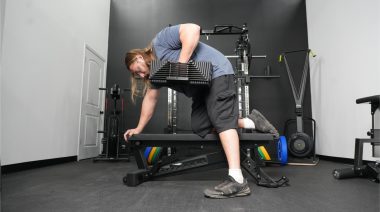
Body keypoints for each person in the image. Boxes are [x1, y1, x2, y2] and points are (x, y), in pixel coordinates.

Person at [123, 23, 279, 198]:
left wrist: (181, 64)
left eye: (138, 71)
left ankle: (238, 181)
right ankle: (251, 121)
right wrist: (138, 128)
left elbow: (192, 29)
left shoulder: (160, 42)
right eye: (138, 76)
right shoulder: (155, 74)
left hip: (217, 73)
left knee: (221, 120)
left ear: (138, 57)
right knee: (200, 126)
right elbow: (150, 100)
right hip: (201, 90)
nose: (142, 76)